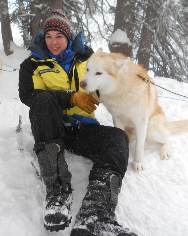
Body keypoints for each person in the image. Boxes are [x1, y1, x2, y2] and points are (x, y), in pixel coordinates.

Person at [19, 9, 138, 236]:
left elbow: (104, 85)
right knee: (43, 99)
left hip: (82, 129)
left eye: (59, 36)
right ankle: (58, 194)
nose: (54, 42)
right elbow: (29, 96)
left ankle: (96, 215)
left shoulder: (88, 59)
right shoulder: (32, 64)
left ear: (68, 36)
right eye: (49, 36)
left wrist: (120, 85)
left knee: (117, 138)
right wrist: (71, 97)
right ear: (43, 37)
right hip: (51, 129)